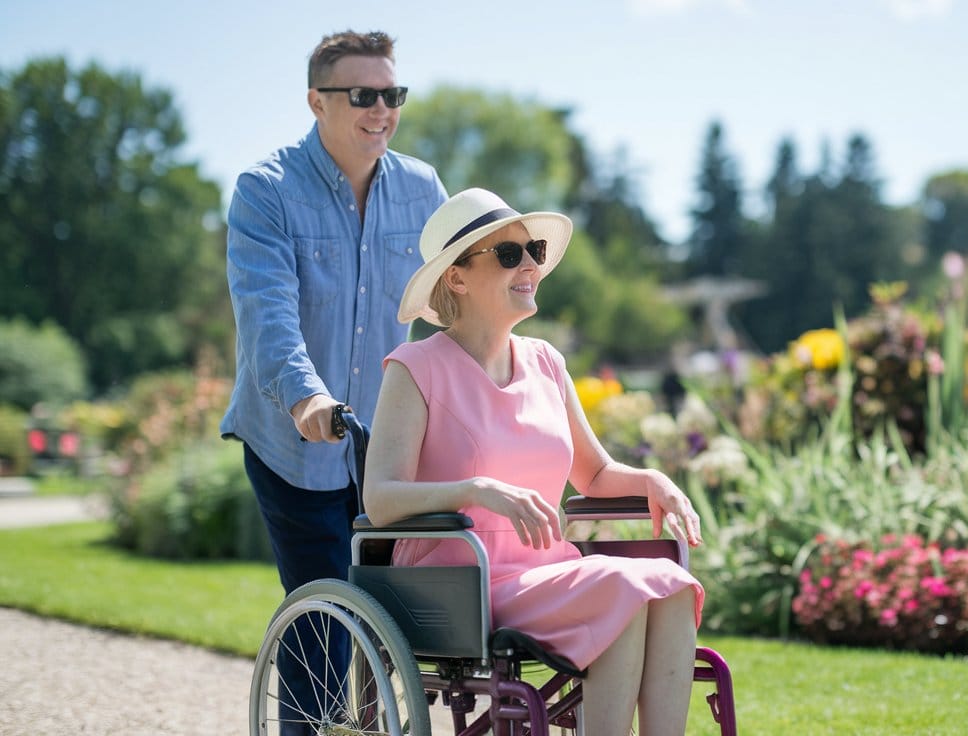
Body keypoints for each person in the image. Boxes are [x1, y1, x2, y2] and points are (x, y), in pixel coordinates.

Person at [364, 188, 704, 735]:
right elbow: (379, 499)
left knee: (669, 582)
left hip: (546, 572)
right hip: (462, 579)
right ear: (457, 277)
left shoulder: (547, 361)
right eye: (508, 254)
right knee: (625, 586)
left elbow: (593, 474)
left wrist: (653, 479)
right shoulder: (416, 367)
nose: (530, 266)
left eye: (534, 251)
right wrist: (475, 489)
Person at [220, 29, 445, 733]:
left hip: (388, 442)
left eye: (392, 94)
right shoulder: (267, 191)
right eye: (363, 95)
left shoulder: (421, 190)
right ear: (317, 101)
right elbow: (268, 317)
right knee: (325, 619)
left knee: (404, 620)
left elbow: (453, 305)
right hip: (295, 437)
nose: (381, 110)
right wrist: (307, 397)